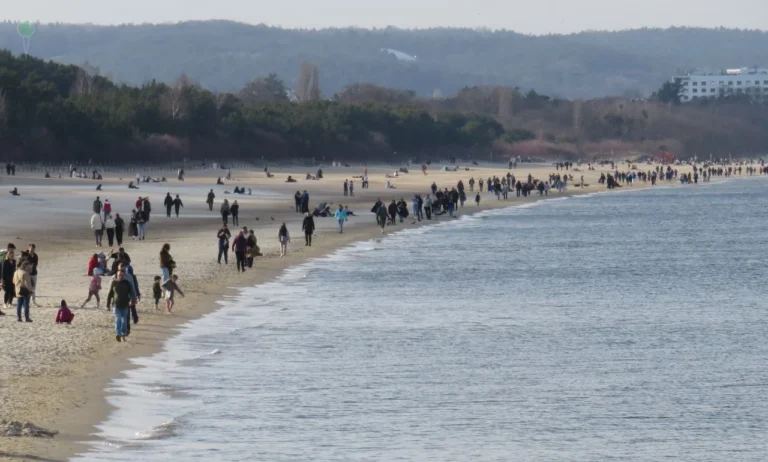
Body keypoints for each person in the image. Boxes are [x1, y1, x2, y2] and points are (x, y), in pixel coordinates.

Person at [106, 267, 137, 342]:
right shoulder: (114, 283)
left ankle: (123, 334)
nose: (120, 276)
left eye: (122, 275)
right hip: (116, 305)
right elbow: (110, 293)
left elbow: (132, 292)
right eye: (119, 275)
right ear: (117, 275)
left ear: (124, 276)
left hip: (125, 305)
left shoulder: (127, 283)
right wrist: (108, 304)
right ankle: (118, 334)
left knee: (124, 321)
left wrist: (132, 300)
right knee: (118, 319)